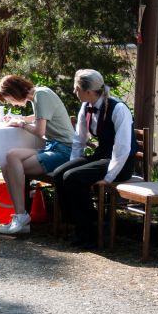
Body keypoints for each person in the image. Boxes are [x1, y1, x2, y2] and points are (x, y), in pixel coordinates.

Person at [52, 69, 137, 248]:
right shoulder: (86, 106)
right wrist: (72, 163)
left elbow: (122, 148)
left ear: (89, 91)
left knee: (73, 178)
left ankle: (89, 231)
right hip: (101, 156)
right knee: (60, 174)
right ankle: (79, 221)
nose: (74, 92)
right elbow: (79, 140)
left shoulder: (118, 109)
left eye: (77, 89)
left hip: (120, 163)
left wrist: (108, 178)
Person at [0, 75, 76, 235]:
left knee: (11, 166)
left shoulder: (41, 95)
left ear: (14, 92)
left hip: (65, 151)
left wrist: (21, 123)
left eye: (9, 99)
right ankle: (20, 216)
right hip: (53, 147)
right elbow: (40, 117)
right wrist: (20, 119)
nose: (11, 103)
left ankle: (21, 217)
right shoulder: (39, 95)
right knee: (7, 160)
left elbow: (40, 131)